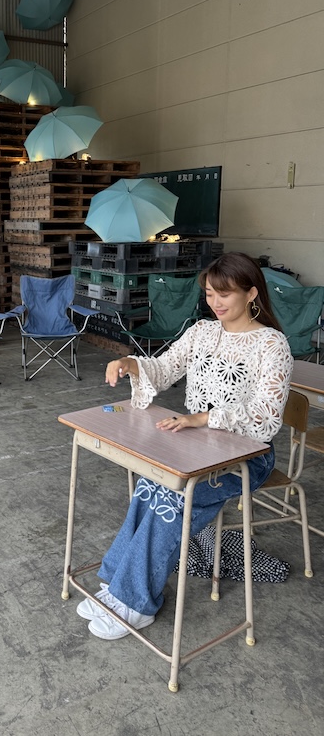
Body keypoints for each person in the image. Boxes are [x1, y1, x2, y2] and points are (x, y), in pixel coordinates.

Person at [78, 251, 293, 640]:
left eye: (225, 294)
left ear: (251, 294)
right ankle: (116, 585)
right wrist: (131, 363)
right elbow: (165, 367)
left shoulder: (271, 344)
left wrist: (203, 418)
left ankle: (136, 603)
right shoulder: (202, 331)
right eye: (211, 293)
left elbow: (267, 415)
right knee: (150, 485)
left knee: (173, 500)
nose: (216, 302)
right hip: (197, 444)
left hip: (247, 454)